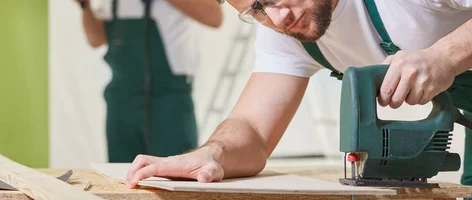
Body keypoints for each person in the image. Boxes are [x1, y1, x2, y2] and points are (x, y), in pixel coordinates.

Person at [124, 0, 472, 189]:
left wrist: (446, 56)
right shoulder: (284, 33)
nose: (278, 17)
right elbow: (254, 130)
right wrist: (213, 154)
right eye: (256, 9)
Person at [76, 0, 223, 162]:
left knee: (176, 173)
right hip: (121, 100)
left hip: (169, 100)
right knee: (121, 174)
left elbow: (215, 17)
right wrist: (85, 5)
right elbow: (96, 40)